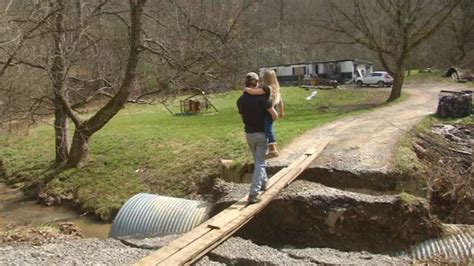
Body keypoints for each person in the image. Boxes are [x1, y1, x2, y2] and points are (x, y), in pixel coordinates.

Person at [237, 72, 278, 204]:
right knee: (260, 163)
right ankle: (254, 193)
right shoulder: (263, 99)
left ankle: (264, 183)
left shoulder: (240, 100)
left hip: (249, 134)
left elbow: (243, 118)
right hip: (261, 134)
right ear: (257, 82)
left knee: (258, 161)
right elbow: (274, 115)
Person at [243, 70, 284, 158]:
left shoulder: (267, 88)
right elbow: (281, 101)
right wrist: (281, 112)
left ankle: (273, 149)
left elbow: (255, 92)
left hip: (268, 112)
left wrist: (247, 89)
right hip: (273, 111)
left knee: (268, 129)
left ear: (266, 78)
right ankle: (272, 148)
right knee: (269, 128)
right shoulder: (276, 88)